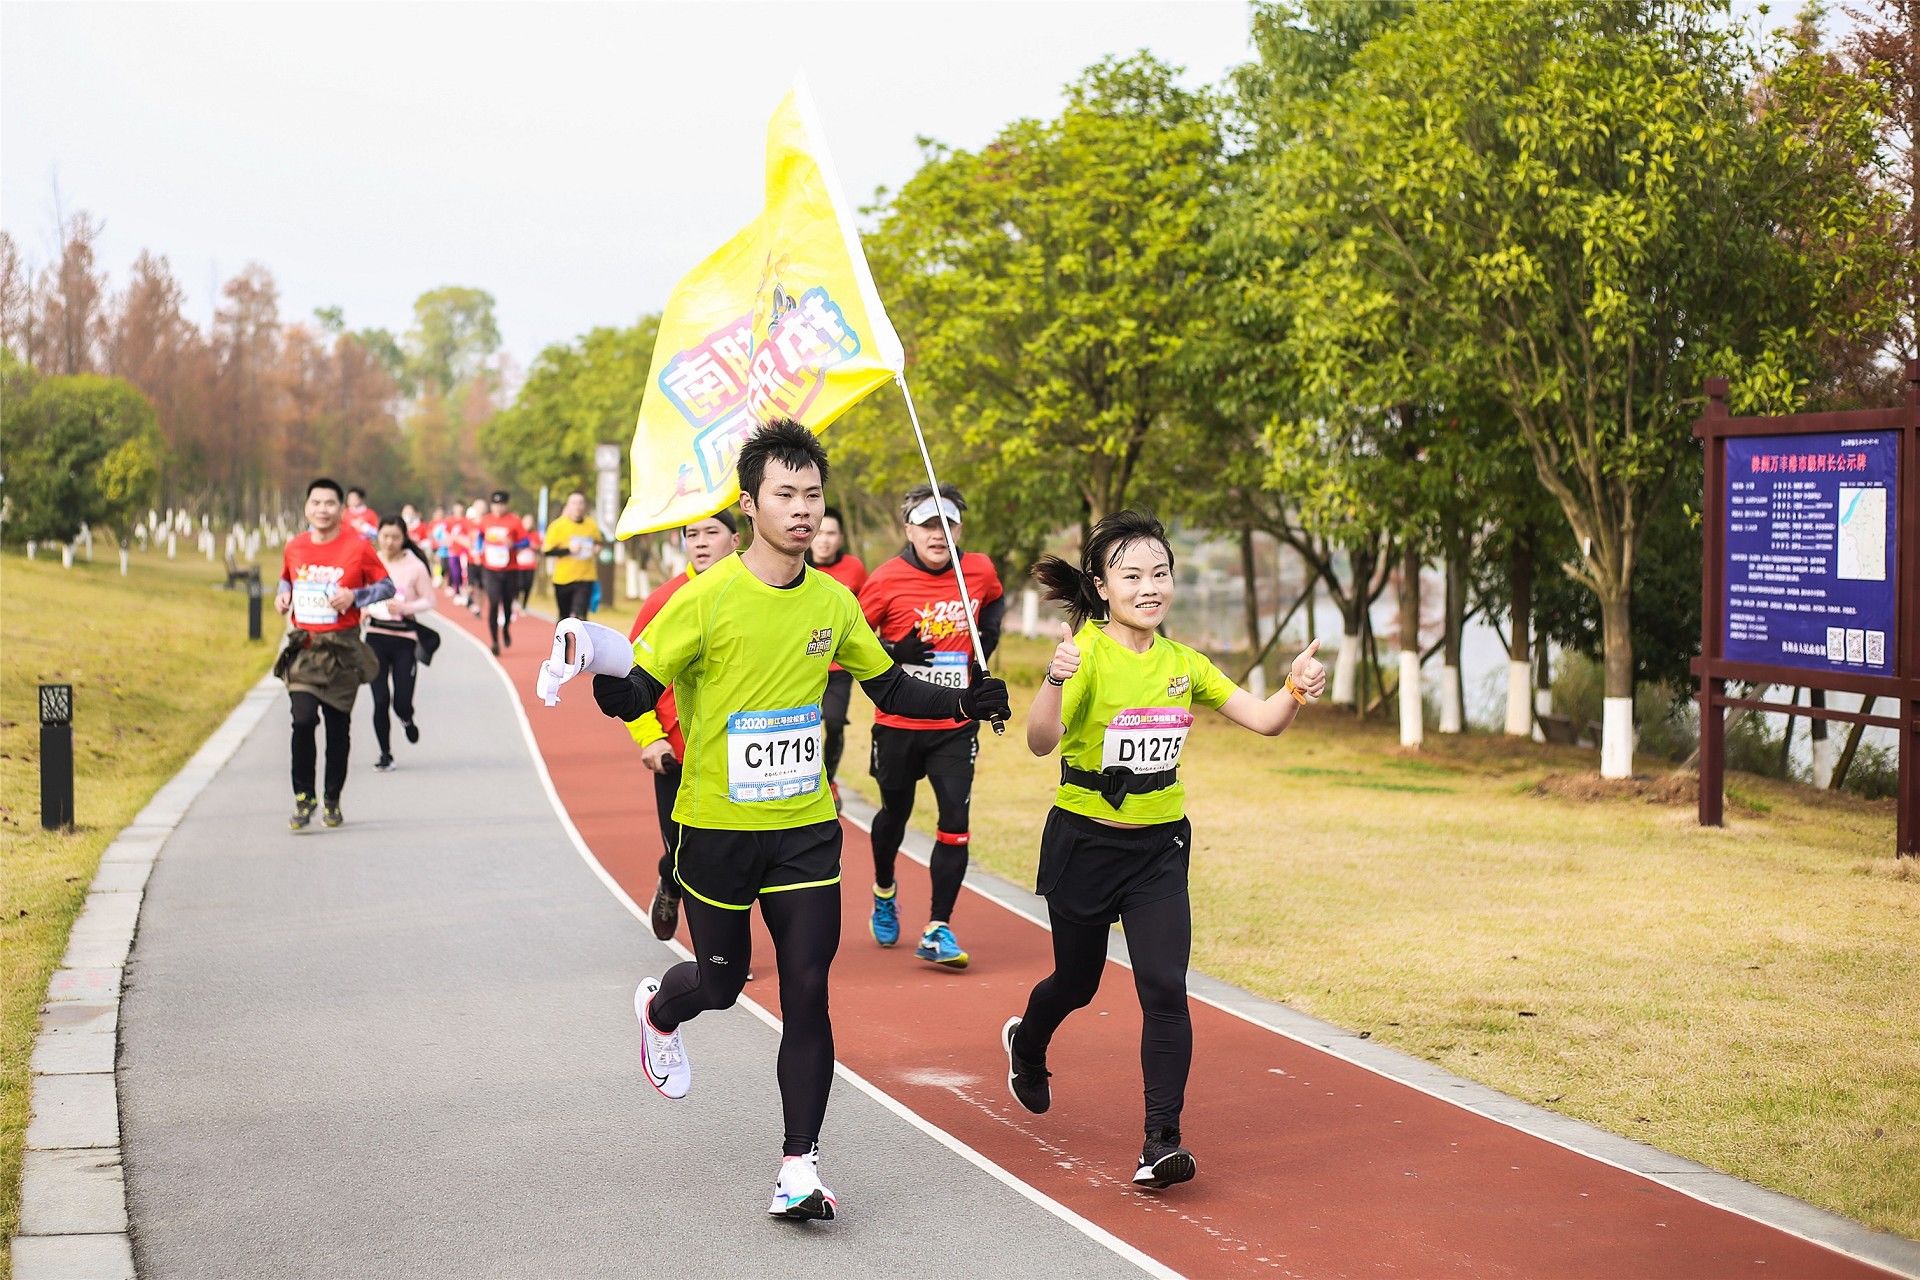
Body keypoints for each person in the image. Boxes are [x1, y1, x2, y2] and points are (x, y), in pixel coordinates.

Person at [588, 419, 1009, 1221]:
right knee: (719, 983)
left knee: (808, 991)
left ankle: (798, 1168)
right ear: (750, 505)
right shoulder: (703, 599)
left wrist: (964, 700)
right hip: (716, 828)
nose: (804, 508)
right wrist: (614, 687)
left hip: (806, 830)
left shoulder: (834, 601)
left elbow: (890, 687)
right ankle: (660, 1011)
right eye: (786, 494)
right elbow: (641, 685)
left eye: (813, 494)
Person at [1001, 510, 1326, 1191]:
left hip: (1158, 852)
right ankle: (1027, 1043)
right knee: (1078, 982)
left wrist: (1295, 688)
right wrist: (1055, 679)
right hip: (1085, 845)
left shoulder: (1184, 664)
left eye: (1160, 573)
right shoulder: (1085, 655)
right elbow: (1039, 742)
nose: (1149, 587)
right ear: (1101, 585)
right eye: (1132, 576)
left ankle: (1161, 1141)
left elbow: (1265, 720)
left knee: (1165, 990)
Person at [857, 483, 1003, 968]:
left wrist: (987, 637)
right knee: (894, 815)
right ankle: (884, 889)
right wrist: (893, 651)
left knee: (955, 821)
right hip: (898, 723)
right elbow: (852, 639)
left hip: (956, 722)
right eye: (927, 525)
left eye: (948, 524)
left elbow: (995, 599)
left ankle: (939, 926)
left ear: (960, 528)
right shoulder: (885, 579)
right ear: (909, 530)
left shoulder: (977, 570)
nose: (939, 534)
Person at [626, 511, 740, 941]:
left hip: (738, 753)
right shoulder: (664, 601)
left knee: (732, 857)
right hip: (677, 753)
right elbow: (630, 680)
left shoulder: (756, 591)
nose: (701, 542)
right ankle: (670, 879)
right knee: (684, 853)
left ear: (736, 539)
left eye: (712, 532)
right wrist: (651, 738)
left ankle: (723, 951)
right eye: (692, 534)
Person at [274, 477, 395, 830]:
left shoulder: (358, 548)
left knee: (337, 729)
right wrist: (283, 595)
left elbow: (387, 586)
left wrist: (355, 597)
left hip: (342, 650)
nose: (322, 509)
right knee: (303, 720)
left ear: (341, 509)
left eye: (330, 503)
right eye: (316, 503)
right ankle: (303, 797)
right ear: (306, 507)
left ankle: (332, 798)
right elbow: (287, 579)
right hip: (306, 648)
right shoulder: (295, 546)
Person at [364, 515, 437, 771]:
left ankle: (407, 719)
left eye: (395, 537)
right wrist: (363, 608)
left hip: (404, 639)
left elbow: (429, 600)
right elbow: (359, 593)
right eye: (385, 536)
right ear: (378, 536)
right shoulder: (370, 561)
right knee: (380, 700)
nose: (389, 542)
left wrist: (406, 607)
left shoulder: (415, 567)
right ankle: (385, 754)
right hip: (375, 637)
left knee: (401, 702)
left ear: (404, 538)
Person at [805, 506, 866, 809]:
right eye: (820, 533)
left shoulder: (854, 568)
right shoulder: (795, 564)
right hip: (802, 664)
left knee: (835, 722)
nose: (824, 540)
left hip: (838, 665)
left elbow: (867, 611)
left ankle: (829, 781)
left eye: (831, 534)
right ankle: (803, 780)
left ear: (841, 538)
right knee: (803, 723)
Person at [474, 489, 531, 654]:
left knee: (507, 603)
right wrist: (478, 550)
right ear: (491, 505)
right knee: (493, 602)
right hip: (490, 569)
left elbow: (526, 542)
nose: (498, 508)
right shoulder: (486, 520)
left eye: (501, 505)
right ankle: (494, 641)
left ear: (506, 505)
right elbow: (480, 536)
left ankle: (505, 627)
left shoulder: (514, 521)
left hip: (510, 569)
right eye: (495, 504)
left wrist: (514, 544)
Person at [542, 491, 603, 620]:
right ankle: (562, 633)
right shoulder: (557, 526)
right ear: (568, 506)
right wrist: (568, 550)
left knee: (580, 615)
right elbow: (547, 551)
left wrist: (597, 548)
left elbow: (598, 542)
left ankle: (581, 632)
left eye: (581, 503)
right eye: (574, 503)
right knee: (564, 617)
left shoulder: (591, 525)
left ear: (585, 506)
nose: (578, 506)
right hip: (563, 578)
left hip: (586, 577)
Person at [514, 512, 540, 608]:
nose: (528, 524)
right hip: (519, 565)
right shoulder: (518, 533)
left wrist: (534, 546)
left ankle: (524, 605)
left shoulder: (535, 534)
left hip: (530, 565)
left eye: (530, 522)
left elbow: (539, 547)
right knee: (519, 584)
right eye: (526, 521)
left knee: (528, 585)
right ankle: (515, 601)